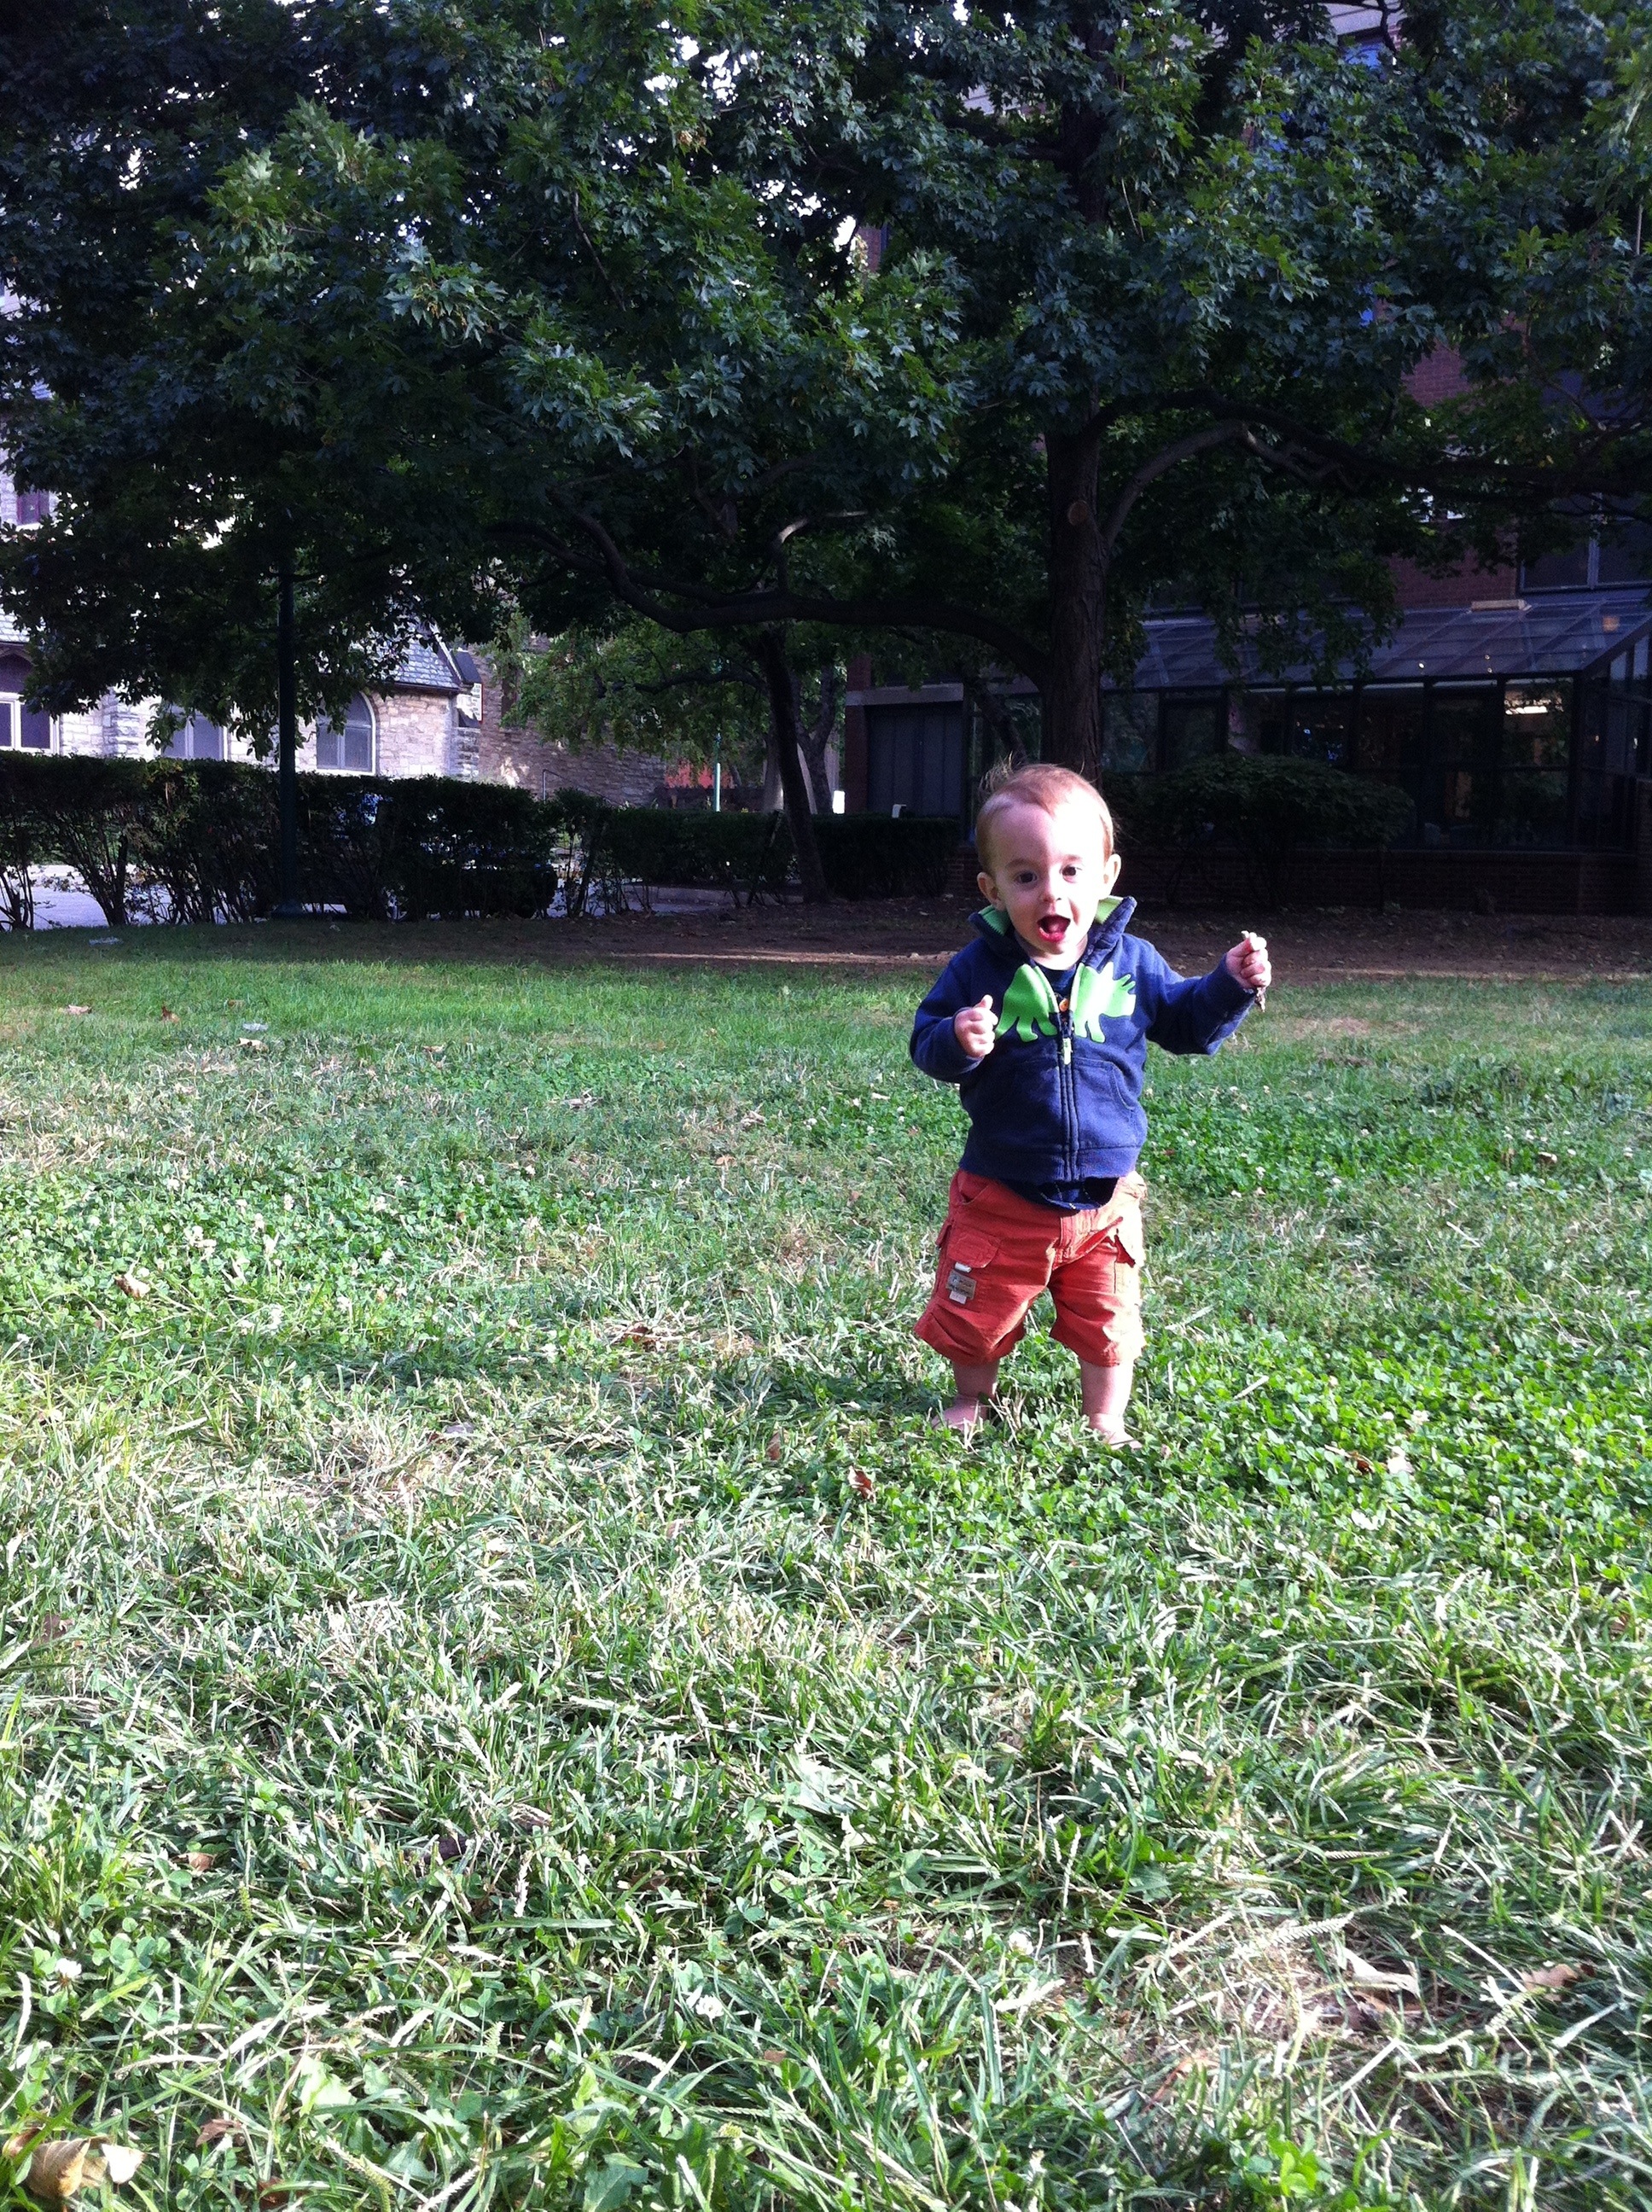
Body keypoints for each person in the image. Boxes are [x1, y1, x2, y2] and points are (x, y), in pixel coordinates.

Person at [910, 762, 1272, 1440]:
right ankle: (972, 1398)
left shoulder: (1133, 963)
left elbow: (1187, 1023)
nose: (1053, 891)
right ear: (992, 890)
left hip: (1107, 1198)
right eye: (1026, 877)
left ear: (1107, 876)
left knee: (1110, 1314)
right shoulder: (977, 969)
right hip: (1002, 1188)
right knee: (977, 1309)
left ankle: (1106, 1417)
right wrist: (957, 1037)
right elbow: (925, 1040)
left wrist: (1228, 984)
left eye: (1072, 871)